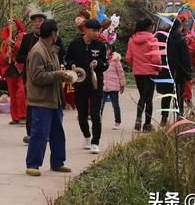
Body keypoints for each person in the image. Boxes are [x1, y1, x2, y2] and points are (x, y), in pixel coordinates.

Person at [25, 19, 73, 176]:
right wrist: (58, 74)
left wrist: (61, 76)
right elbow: (37, 77)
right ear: (53, 33)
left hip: (54, 99)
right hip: (41, 101)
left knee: (57, 133)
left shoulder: (52, 49)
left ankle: (58, 162)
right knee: (39, 133)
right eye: (57, 31)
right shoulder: (37, 51)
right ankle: (33, 164)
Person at [17, 10, 65, 143]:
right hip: (32, 77)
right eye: (35, 21)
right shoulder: (29, 40)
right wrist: (31, 58)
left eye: (40, 21)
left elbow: (62, 56)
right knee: (33, 105)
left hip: (53, 82)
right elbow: (19, 57)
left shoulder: (56, 41)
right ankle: (31, 133)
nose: (37, 24)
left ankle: (48, 138)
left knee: (53, 116)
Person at [65, 19, 108, 154]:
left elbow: (105, 64)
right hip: (80, 84)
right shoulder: (75, 44)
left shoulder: (100, 46)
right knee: (82, 114)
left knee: (96, 114)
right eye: (94, 30)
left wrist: (98, 63)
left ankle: (96, 142)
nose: (96, 33)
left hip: (96, 84)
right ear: (86, 29)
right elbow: (67, 59)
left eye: (98, 31)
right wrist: (71, 65)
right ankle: (87, 136)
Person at [126, 18, 161, 132]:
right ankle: (147, 125)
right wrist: (158, 68)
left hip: (138, 73)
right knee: (149, 99)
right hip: (150, 72)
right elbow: (156, 59)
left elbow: (128, 58)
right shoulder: (153, 40)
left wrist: (134, 67)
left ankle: (138, 118)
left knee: (142, 96)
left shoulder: (132, 40)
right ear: (150, 27)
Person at [0, 18, 27, 125]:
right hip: (10, 69)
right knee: (12, 93)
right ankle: (15, 117)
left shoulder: (23, 36)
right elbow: (0, 58)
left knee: (21, 92)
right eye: (9, 24)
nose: (11, 26)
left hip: (21, 68)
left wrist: (14, 44)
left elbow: (25, 49)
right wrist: (6, 56)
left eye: (13, 24)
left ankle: (23, 115)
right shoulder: (5, 42)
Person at [167, 19, 194, 117]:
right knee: (179, 92)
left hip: (168, 69)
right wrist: (188, 72)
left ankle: (164, 118)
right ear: (179, 27)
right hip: (179, 70)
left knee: (168, 94)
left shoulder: (165, 39)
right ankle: (179, 114)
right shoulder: (181, 39)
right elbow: (185, 58)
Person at [101, 44, 125, 130]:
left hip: (114, 87)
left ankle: (117, 122)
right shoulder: (101, 59)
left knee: (115, 105)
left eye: (108, 48)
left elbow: (121, 73)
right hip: (103, 86)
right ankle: (98, 121)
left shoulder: (116, 61)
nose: (107, 50)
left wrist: (122, 84)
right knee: (100, 105)